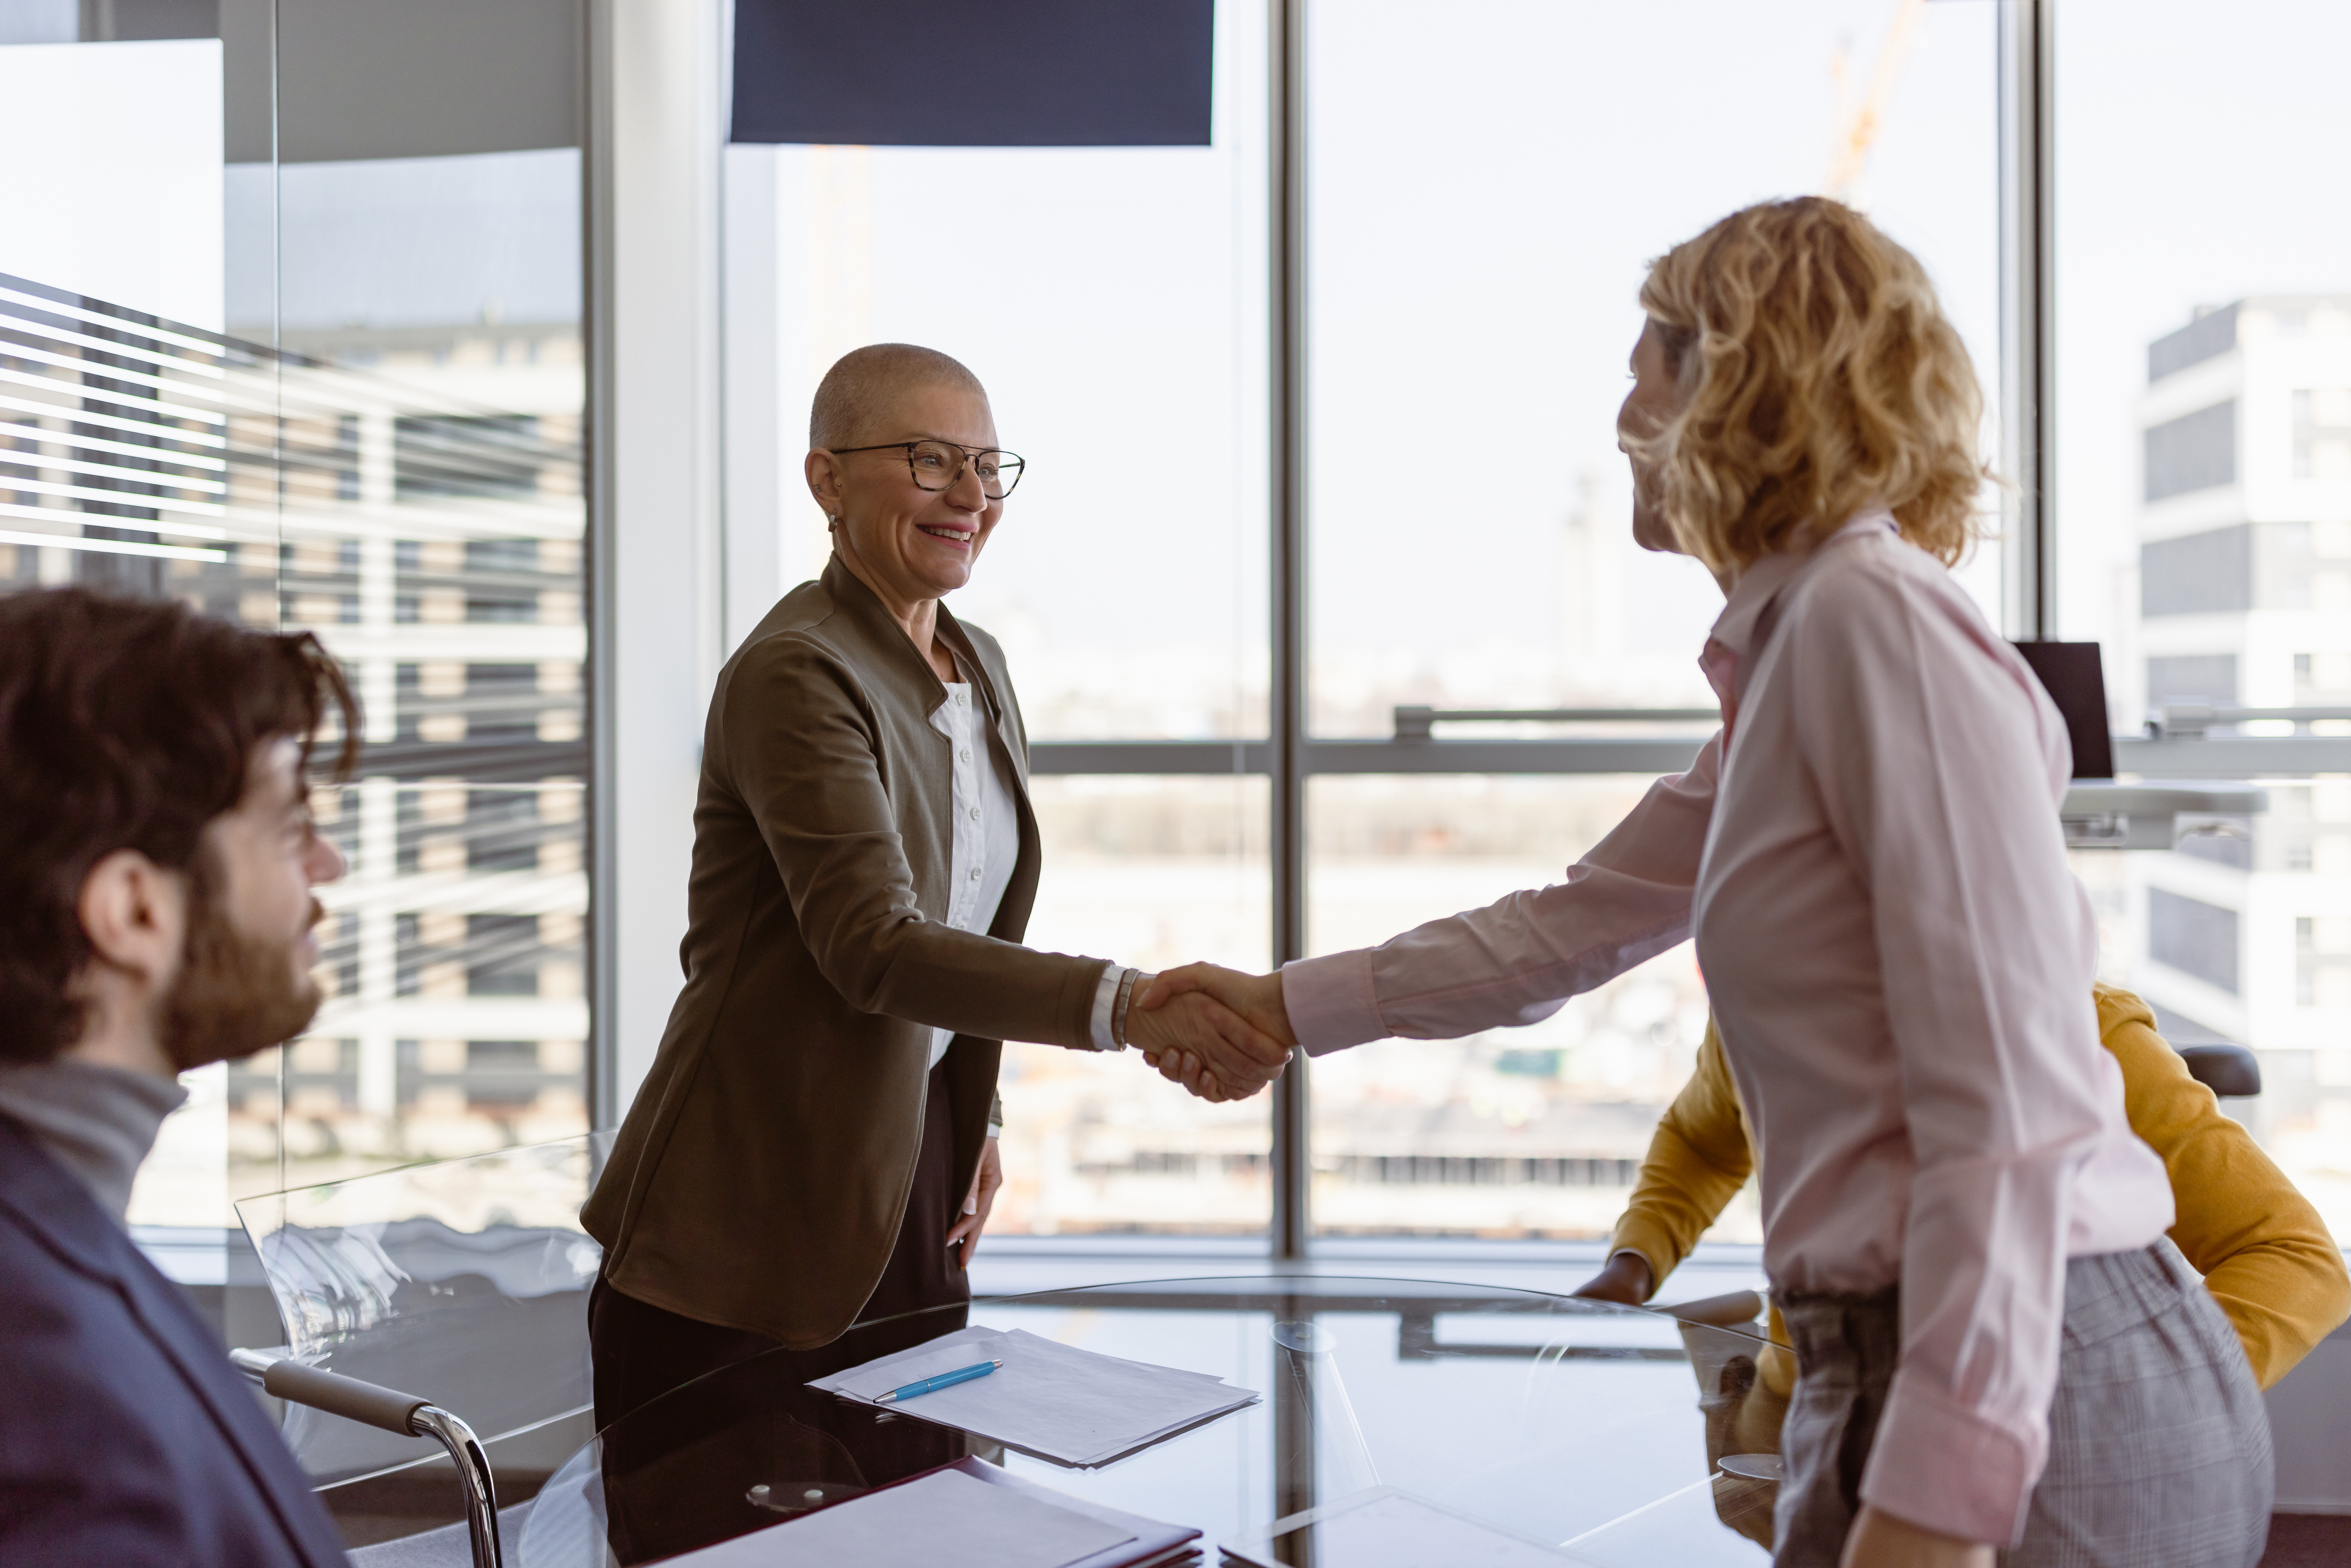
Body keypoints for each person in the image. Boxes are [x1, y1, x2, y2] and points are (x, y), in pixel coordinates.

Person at [1137, 199, 2273, 1566]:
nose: (1619, 403)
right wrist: (1278, 1004)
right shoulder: (1796, 653)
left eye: (1647, 360)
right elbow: (1564, 928)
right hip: (1921, 1353)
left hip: (2024, 1379)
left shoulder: (1872, 633)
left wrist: (1930, 1512)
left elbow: (2012, 1120)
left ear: (1743, 377)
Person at [581, 344, 1291, 1431]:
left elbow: (966, 913)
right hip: (753, 1208)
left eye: (987, 465)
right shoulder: (798, 671)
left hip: (913, 1182)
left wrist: (978, 1111)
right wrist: (1132, 1003)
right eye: (929, 461)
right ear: (826, 480)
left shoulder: (980, 661)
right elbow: (875, 945)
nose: (971, 497)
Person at [1576, 985, 2349, 1547]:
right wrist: (1637, 1258)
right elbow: (1705, 1138)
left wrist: (2143, 1396)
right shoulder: (1761, 1010)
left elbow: (2299, 1262)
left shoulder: (2084, 1035)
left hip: (2028, 1458)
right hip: (1801, 1417)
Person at [0, 588, 357, 1566]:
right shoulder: (53, 1403)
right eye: (289, 829)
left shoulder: (57, 1230)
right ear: (132, 911)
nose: (329, 866)